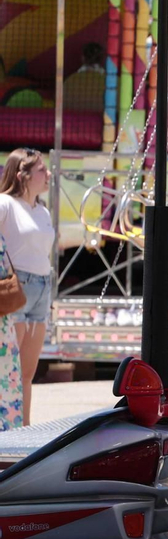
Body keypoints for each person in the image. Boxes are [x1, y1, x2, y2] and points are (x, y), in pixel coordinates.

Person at [0, 150, 55, 425]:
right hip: (17, 290)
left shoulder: (42, 210)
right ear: (22, 175)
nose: (48, 174)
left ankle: (25, 430)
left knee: (27, 373)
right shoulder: (5, 204)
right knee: (8, 372)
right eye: (42, 170)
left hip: (43, 288)